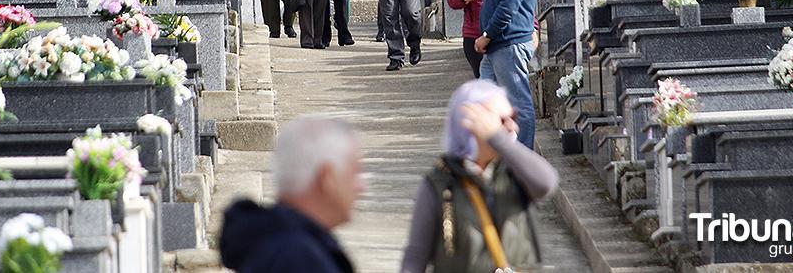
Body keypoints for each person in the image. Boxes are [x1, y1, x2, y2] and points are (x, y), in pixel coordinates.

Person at [400, 80, 559, 273]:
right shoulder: (440, 181)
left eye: (513, 117)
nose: (513, 127)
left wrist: (499, 139)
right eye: (501, 120)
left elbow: (547, 184)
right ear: (470, 125)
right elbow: (416, 255)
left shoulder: (515, 172)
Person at [220, 116, 365, 273]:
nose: (361, 187)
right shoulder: (299, 260)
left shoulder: (277, 245)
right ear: (326, 178)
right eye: (354, 174)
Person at [475, 0, 539, 148]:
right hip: (498, 46)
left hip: (509, 44)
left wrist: (487, 35)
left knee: (518, 103)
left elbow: (508, 7)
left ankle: (524, 157)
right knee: (486, 101)